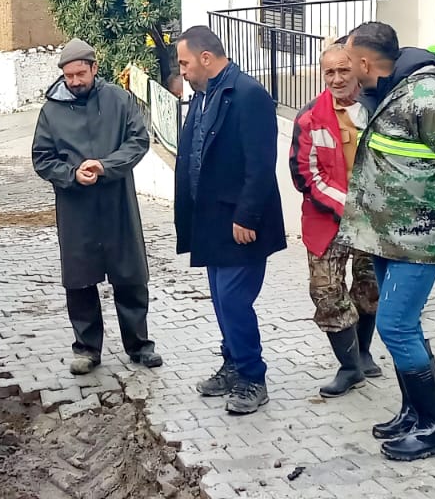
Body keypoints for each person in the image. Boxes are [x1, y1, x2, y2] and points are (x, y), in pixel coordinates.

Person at [339, 22, 435, 462]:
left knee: (397, 327)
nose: (346, 70)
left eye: (349, 62)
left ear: (365, 62)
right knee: (403, 326)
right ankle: (412, 413)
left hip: (420, 235)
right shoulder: (390, 92)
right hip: (389, 234)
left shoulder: (429, 98)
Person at [32, 39, 162, 376]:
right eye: (68, 75)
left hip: (117, 201)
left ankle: (139, 345)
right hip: (75, 207)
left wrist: (105, 166)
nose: (74, 81)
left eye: (80, 73)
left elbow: (138, 141)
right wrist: (72, 174)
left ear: (94, 68)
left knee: (130, 275)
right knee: (79, 280)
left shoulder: (118, 100)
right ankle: (87, 349)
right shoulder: (51, 111)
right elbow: (42, 158)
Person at [174, 26, 285, 416]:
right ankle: (233, 363)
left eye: (185, 62)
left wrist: (247, 214)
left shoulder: (248, 94)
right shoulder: (204, 96)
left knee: (236, 301)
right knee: (222, 302)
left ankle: (253, 378)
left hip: (242, 223)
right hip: (211, 221)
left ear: (206, 58)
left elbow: (261, 163)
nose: (182, 71)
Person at [288, 40, 381, 399]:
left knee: (369, 284)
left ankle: (363, 353)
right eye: (331, 72)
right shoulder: (310, 116)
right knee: (325, 291)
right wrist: (347, 205)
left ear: (357, 68)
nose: (338, 78)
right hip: (327, 218)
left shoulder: (376, 108)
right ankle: (349, 367)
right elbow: (304, 175)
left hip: (373, 218)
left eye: (344, 70)